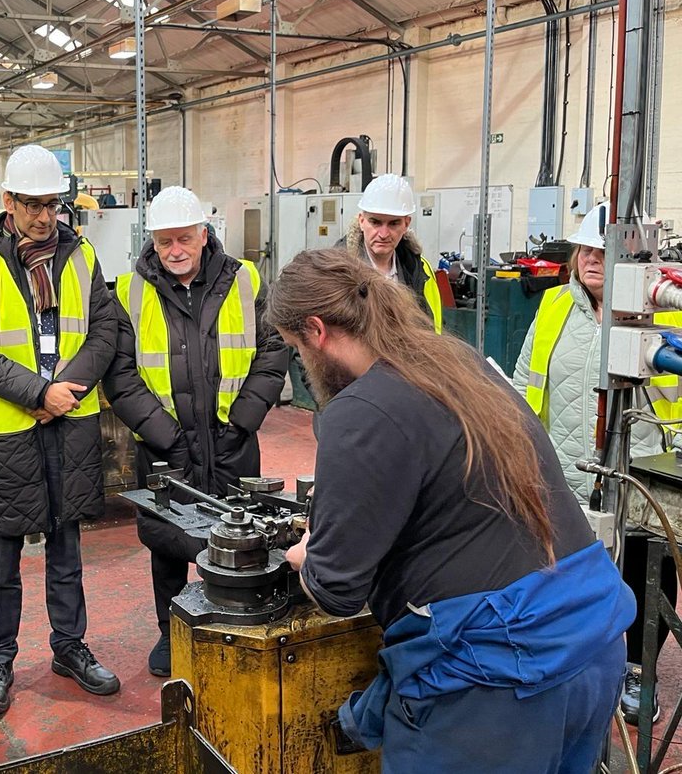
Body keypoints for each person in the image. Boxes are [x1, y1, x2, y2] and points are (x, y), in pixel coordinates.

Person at [271, 248, 633, 774]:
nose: (304, 365)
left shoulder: (359, 411)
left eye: (296, 350)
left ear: (316, 330)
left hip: (499, 677)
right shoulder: (455, 362)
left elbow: (337, 590)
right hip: (593, 639)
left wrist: (309, 555)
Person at [0, 144, 120, 717]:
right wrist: (35, 393)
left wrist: (62, 391)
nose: (45, 217)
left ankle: (69, 648)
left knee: (67, 547)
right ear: (8, 202)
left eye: (52, 205)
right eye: (33, 206)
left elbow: (105, 331)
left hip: (67, 424)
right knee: (3, 557)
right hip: (7, 431)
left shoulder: (82, 254)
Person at [103, 185, 288, 677]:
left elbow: (273, 351)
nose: (175, 251)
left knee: (241, 533)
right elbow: (120, 374)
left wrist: (244, 419)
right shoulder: (129, 289)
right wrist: (162, 433)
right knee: (167, 541)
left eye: (184, 238)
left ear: (205, 234)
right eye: (165, 242)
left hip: (231, 442)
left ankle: (234, 624)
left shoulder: (246, 280)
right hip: (166, 449)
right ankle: (172, 633)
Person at [513, 202, 680, 725]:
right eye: (586, 248)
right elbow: (525, 379)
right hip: (567, 470)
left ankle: (638, 671)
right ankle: (574, 666)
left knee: (646, 571)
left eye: (604, 251)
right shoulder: (555, 305)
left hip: (643, 473)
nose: (592, 259)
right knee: (567, 571)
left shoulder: (668, 314)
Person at [339, 173, 442, 332]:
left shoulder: (420, 269)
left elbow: (433, 329)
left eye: (393, 223)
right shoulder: (336, 270)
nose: (383, 234)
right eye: (375, 222)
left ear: (406, 224)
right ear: (361, 221)